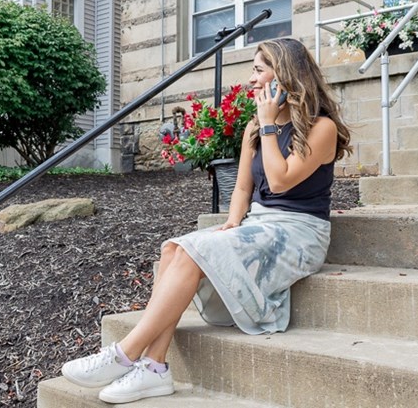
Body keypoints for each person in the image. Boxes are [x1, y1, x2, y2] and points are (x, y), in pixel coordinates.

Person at [61, 38, 353, 404]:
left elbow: (279, 181)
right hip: (258, 225)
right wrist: (232, 222)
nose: (251, 80)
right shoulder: (253, 129)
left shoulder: (319, 127)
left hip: (298, 234)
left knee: (191, 250)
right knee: (174, 250)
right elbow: (243, 188)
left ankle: (124, 354)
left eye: (259, 70)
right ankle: (154, 368)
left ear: (285, 75)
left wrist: (266, 124)